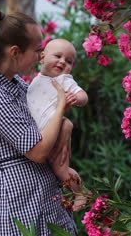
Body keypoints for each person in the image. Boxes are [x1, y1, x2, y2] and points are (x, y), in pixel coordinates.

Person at [0, 10, 77, 236]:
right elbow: (38, 151)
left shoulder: (20, 85)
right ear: (15, 52)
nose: (42, 56)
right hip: (16, 209)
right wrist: (61, 104)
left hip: (43, 203)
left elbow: (47, 129)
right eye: (38, 50)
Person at [27, 38, 88, 212]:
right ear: (42, 57)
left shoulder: (64, 80)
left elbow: (82, 95)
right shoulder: (35, 81)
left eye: (68, 61)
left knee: (59, 168)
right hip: (45, 132)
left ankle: (80, 193)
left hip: (56, 129)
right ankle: (75, 187)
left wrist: (77, 98)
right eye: (58, 56)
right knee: (61, 166)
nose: (62, 62)